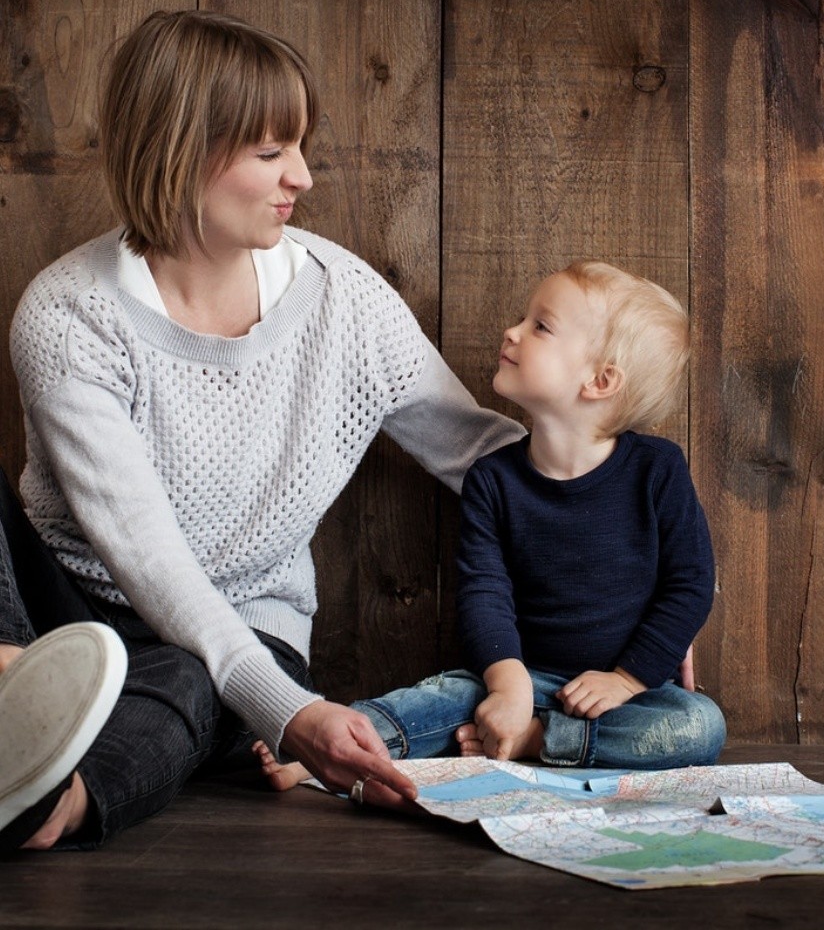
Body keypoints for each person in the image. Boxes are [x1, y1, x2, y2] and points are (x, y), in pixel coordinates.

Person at [0, 9, 524, 853]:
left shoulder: (343, 300)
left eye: (298, 148)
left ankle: (45, 802)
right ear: (179, 149)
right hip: (59, 612)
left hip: (242, 638)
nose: (303, 179)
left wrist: (643, 564)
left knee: (195, 677)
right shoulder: (68, 316)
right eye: (272, 152)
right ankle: (14, 679)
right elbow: (147, 558)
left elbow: (482, 452)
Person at [254, 259, 725, 794]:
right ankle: (332, 747)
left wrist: (627, 679)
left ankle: (536, 741)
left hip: (623, 696)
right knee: (439, 697)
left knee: (698, 725)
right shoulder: (494, 480)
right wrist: (507, 684)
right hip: (517, 674)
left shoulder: (657, 470)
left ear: (600, 381)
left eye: (540, 326)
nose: (513, 331)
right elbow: (484, 591)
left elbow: (689, 584)